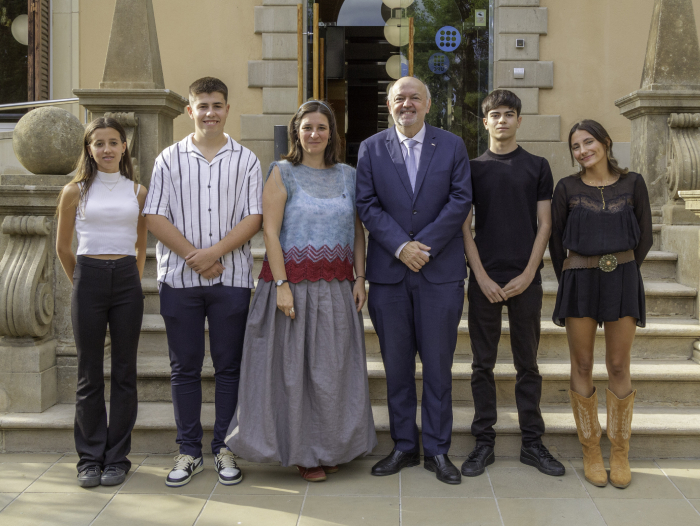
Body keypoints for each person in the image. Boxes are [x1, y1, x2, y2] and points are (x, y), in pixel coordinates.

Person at [225, 100, 376, 482]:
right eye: (307, 127)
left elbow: (358, 231)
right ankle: (304, 454)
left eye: (321, 127)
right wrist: (281, 285)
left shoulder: (349, 175)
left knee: (332, 373)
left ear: (332, 134)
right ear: (296, 132)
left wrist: (360, 278)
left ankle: (330, 446)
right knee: (294, 374)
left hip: (337, 288)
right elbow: (270, 232)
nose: (314, 134)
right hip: (292, 287)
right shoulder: (282, 173)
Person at [143, 77, 263, 487]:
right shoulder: (168, 158)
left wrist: (213, 255)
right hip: (179, 279)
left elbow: (254, 217)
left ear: (227, 108)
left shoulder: (246, 160)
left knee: (229, 367)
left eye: (217, 105)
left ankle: (224, 446)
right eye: (203, 105)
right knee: (184, 368)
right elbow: (154, 215)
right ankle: (189, 450)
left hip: (231, 279)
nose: (210, 112)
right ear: (190, 110)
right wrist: (195, 256)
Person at [356, 76, 471, 485]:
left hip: (440, 275)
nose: (407, 104)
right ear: (389, 105)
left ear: (427, 104)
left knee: (438, 366)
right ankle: (404, 445)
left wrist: (423, 247)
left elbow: (460, 200)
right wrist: (400, 247)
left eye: (414, 98)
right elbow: (366, 203)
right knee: (397, 366)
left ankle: (437, 450)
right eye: (399, 98)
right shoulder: (371, 148)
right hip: (389, 276)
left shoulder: (452, 146)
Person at [460, 90, 565, 479]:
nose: (502, 120)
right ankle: (483, 442)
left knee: (528, 364)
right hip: (484, 279)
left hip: (526, 279)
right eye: (495, 115)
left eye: (509, 114)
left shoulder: (537, 166)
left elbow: (545, 225)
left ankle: (532, 443)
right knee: (481, 365)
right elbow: (463, 227)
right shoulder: (472, 168)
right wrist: (481, 276)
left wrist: (528, 274)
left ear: (519, 120)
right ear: (484, 122)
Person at [550, 120, 652, 489]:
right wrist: (572, 277)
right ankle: (591, 450)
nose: (583, 151)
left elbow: (645, 237)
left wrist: (623, 271)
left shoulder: (633, 183)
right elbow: (556, 241)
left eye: (588, 142)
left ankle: (620, 451)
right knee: (581, 363)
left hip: (622, 279)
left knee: (618, 365)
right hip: (579, 279)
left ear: (606, 143)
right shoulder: (566, 188)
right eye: (576, 146)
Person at [56, 117, 147, 488]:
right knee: (89, 373)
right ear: (89, 149)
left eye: (113, 142)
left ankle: (117, 459)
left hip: (126, 280)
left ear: (124, 147)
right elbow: (63, 248)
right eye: (99, 143)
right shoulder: (74, 191)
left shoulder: (138, 192)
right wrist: (82, 282)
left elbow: (141, 245)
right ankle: (90, 459)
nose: (107, 149)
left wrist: (131, 280)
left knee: (124, 372)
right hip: (88, 277)